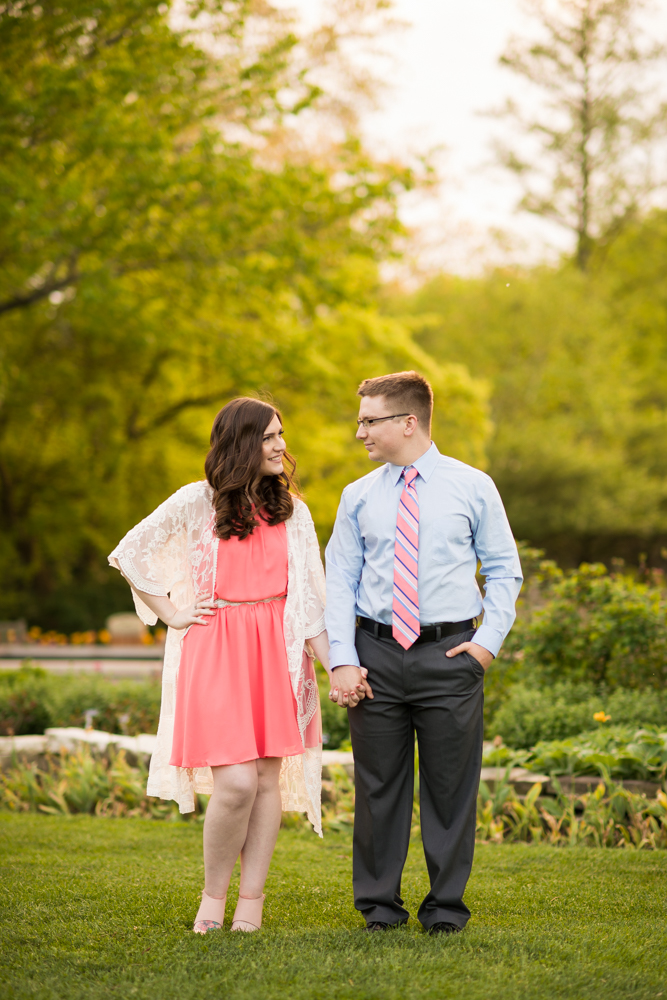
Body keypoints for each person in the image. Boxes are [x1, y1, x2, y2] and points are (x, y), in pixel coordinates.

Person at [109, 398, 330, 934]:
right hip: (217, 645)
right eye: (269, 436)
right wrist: (172, 612)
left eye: (282, 435)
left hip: (276, 651)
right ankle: (213, 896)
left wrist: (336, 667)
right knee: (235, 783)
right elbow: (129, 552)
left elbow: (311, 600)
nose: (281, 445)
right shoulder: (195, 502)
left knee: (265, 778)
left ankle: (250, 902)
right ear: (240, 444)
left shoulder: (293, 512)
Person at [325, 371, 522, 934]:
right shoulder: (357, 495)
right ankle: (380, 909)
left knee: (449, 789)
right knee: (378, 787)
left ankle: (445, 910)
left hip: (451, 654)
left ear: (408, 422)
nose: (359, 431)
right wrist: (342, 657)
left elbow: (505, 570)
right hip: (375, 656)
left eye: (369, 420)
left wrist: (485, 646)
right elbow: (339, 579)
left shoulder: (473, 486)